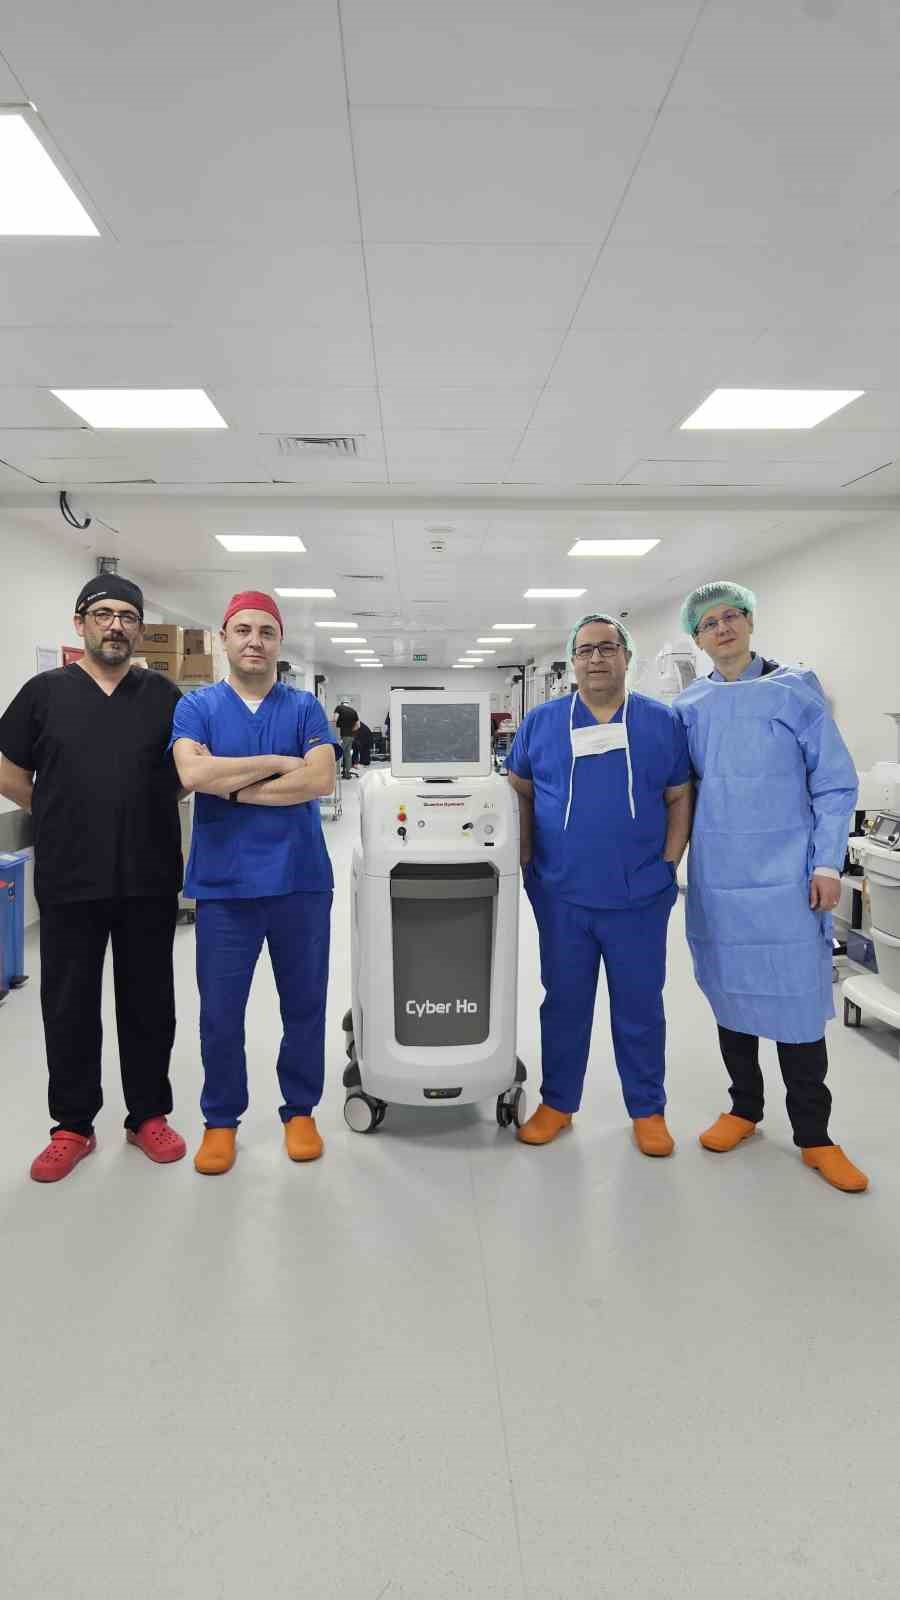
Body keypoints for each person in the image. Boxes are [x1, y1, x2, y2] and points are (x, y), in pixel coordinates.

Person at [675, 580, 866, 1193]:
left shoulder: (795, 692)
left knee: (797, 1003)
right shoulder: (691, 707)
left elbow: (833, 783)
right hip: (720, 878)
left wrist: (826, 865)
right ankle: (744, 1109)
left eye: (732, 616)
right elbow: (677, 791)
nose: (723, 628)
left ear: (750, 623)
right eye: (709, 622)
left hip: (789, 878)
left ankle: (815, 1136)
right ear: (698, 638)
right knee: (731, 992)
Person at [0, 575, 187, 1182]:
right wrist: (55, 810)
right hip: (70, 877)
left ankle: (148, 1116)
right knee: (69, 1005)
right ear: (80, 623)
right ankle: (73, 1126)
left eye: (127, 616)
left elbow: (186, 774)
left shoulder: (163, 695)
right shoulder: (44, 694)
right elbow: (7, 769)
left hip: (147, 875)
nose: (115, 626)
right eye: (103, 614)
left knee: (149, 1003)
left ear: (139, 629)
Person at [507, 613, 693, 1153]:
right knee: (564, 1004)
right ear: (572, 661)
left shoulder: (661, 722)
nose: (596, 658)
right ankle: (558, 1103)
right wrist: (526, 859)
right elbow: (518, 788)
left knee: (640, 1006)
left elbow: (679, 795)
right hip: (561, 895)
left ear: (626, 656)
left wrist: (669, 864)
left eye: (607, 648)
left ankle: (647, 1110)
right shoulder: (543, 722)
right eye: (585, 650)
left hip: (640, 896)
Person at [171, 591, 340, 1175]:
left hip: (300, 882)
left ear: (279, 642)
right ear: (224, 638)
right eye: (242, 630)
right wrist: (280, 762)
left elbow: (320, 780)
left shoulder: (304, 709)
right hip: (225, 887)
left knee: (305, 1005)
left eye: (266, 631)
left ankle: (300, 1110)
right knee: (221, 1013)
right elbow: (193, 773)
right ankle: (221, 1120)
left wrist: (235, 787)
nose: (254, 641)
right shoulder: (196, 707)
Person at [334, 701, 358, 779]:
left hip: (341, 735)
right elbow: (358, 725)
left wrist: (334, 732)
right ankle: (347, 773)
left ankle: (334, 772)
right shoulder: (353, 711)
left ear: (341, 704)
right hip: (351, 736)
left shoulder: (339, 708)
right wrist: (351, 731)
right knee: (347, 754)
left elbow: (334, 720)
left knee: (337, 753)